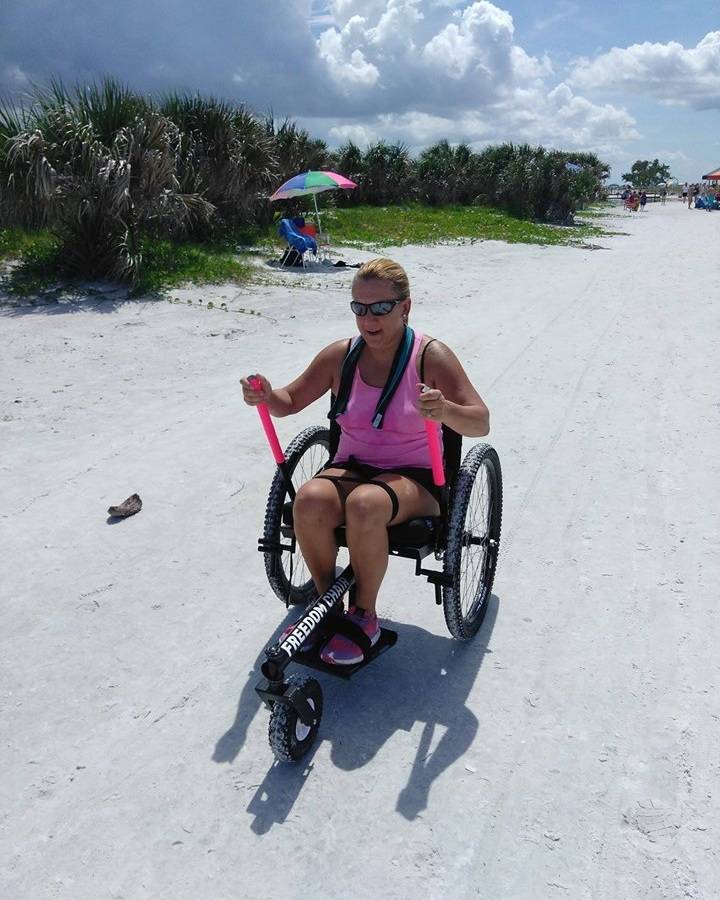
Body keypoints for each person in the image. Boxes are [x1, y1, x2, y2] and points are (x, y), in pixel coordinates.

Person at [241, 258, 489, 665]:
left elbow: (480, 422)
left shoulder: (431, 356)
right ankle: (327, 605)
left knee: (365, 504)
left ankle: (363, 615)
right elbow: (288, 402)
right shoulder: (341, 356)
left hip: (416, 478)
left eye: (379, 308)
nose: (367, 319)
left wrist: (445, 410)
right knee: (308, 499)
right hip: (353, 467)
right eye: (359, 308)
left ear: (405, 307)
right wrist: (266, 395)